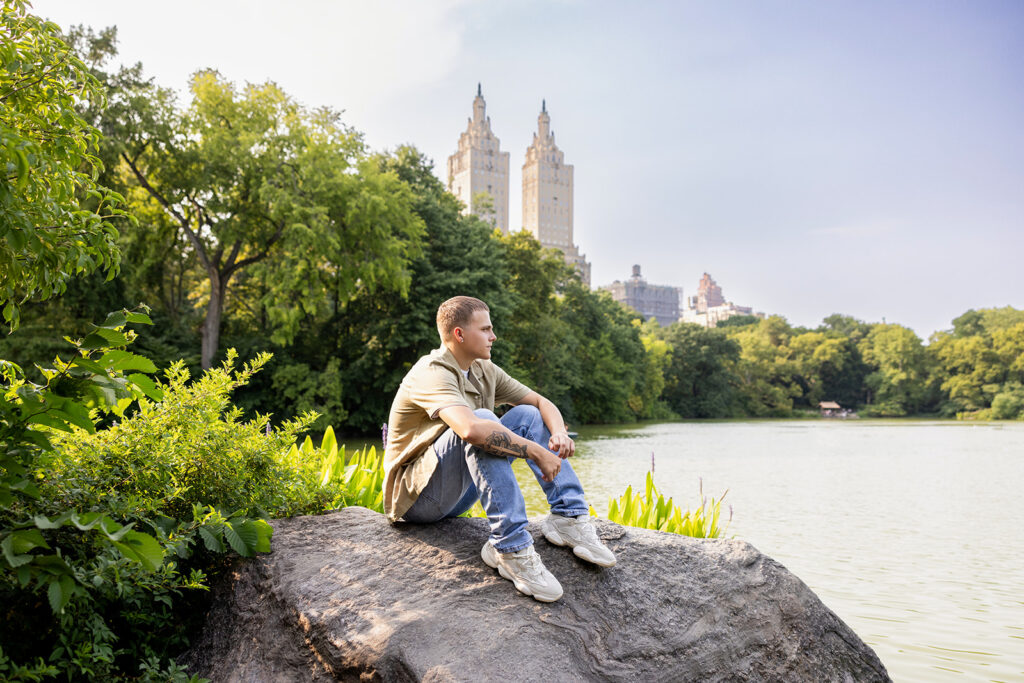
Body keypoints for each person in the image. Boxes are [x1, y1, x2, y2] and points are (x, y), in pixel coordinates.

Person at [383, 295, 615, 602]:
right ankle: (511, 547)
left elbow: (540, 403)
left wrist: (558, 433)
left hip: (456, 494)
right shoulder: (432, 372)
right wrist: (536, 451)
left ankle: (568, 516)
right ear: (459, 334)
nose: (494, 336)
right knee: (481, 421)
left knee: (528, 415)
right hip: (417, 500)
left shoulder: (483, 369)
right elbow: (470, 430)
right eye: (486, 329)